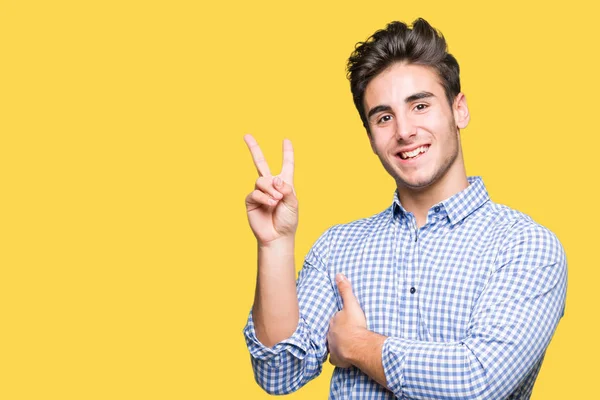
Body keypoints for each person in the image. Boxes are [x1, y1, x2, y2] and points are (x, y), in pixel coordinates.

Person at [242, 18, 567, 400]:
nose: (404, 130)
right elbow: (278, 373)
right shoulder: (338, 247)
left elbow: (477, 381)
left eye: (420, 105)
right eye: (384, 117)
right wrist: (275, 246)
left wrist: (358, 345)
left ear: (459, 109)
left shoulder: (526, 246)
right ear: (370, 138)